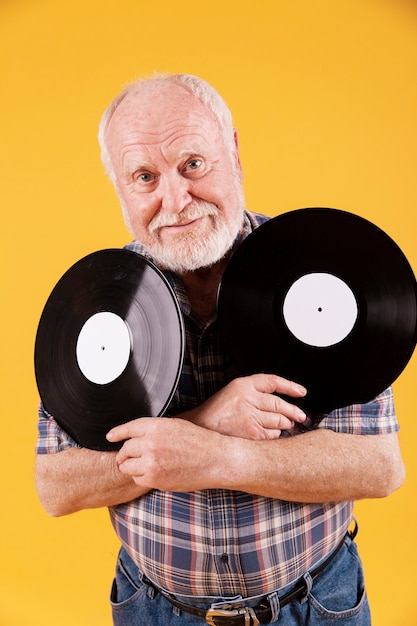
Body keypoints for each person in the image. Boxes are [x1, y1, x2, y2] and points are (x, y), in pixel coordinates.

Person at [35, 73, 405, 626]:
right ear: (119, 187)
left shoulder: (325, 267)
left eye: (192, 164)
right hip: (155, 608)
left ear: (232, 151)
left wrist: (218, 457)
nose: (176, 200)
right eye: (144, 177)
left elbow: (379, 467)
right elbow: (56, 486)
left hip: (314, 604)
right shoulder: (94, 299)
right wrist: (207, 419)